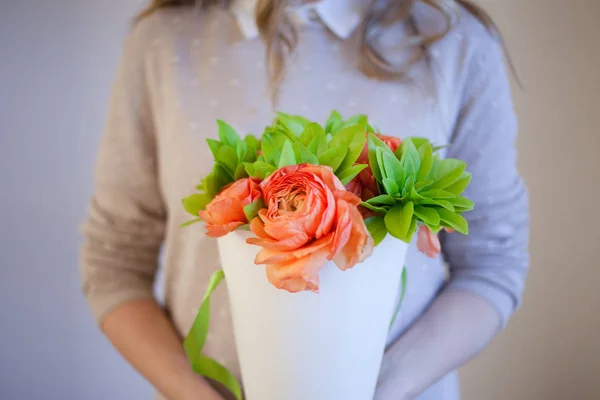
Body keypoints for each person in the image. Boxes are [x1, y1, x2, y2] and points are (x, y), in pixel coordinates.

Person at [80, 0, 530, 399]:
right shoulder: (163, 42)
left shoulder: (454, 41)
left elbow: (493, 264)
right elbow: (113, 263)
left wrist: (382, 389)